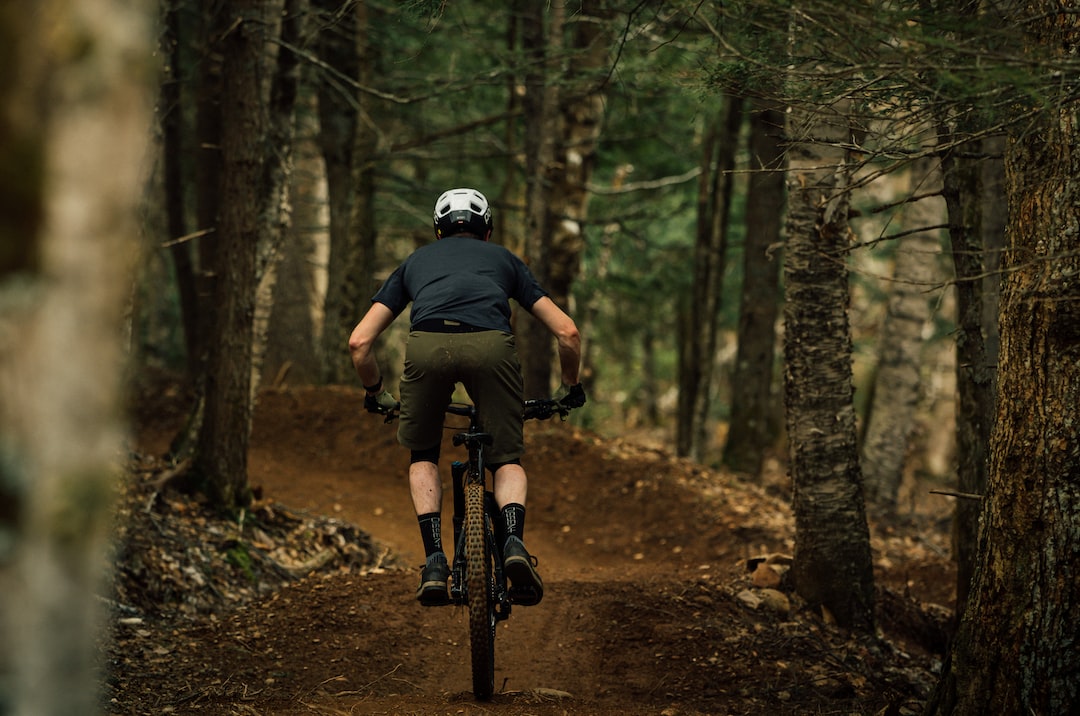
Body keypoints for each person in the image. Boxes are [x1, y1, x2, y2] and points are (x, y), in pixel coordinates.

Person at [348, 187, 586, 608]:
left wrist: (375, 393)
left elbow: (359, 342)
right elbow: (567, 332)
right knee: (507, 459)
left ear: (439, 232)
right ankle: (512, 541)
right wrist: (569, 389)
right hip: (491, 348)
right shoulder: (505, 261)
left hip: (428, 348)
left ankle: (435, 561)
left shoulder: (416, 261)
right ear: (487, 231)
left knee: (422, 454)